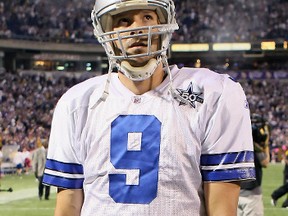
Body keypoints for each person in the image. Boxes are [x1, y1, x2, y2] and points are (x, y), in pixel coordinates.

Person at [43, 0, 255, 215]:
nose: (137, 28)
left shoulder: (212, 92)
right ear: (106, 30)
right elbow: (68, 206)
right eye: (124, 20)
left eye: (147, 17)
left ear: (164, 23)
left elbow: (222, 207)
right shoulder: (77, 103)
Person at [237, 114, 270, 216]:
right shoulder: (254, 146)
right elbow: (265, 162)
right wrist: (266, 144)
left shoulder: (236, 139)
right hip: (251, 192)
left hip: (235, 190)